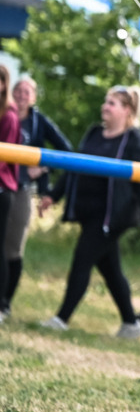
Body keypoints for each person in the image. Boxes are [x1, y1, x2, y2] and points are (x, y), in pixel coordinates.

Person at [38, 85, 140, 337]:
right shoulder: (94, 133)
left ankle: (61, 318)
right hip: (89, 211)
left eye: (112, 103)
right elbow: (75, 166)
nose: (105, 106)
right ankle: (131, 324)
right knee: (111, 269)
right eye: (106, 102)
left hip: (112, 217)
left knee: (82, 261)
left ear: (127, 110)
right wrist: (53, 195)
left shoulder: (136, 141)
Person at [4, 77, 73, 317]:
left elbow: (66, 151)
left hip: (21, 188)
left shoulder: (38, 122)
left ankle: (5, 303)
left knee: (12, 247)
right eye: (18, 90)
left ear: (33, 97)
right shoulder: (6, 114)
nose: (22, 95)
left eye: (27, 92)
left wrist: (43, 167)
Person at [0, 65, 21, 324]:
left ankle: (2, 304)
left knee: (2, 248)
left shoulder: (9, 116)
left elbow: (5, 157)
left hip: (2, 188)